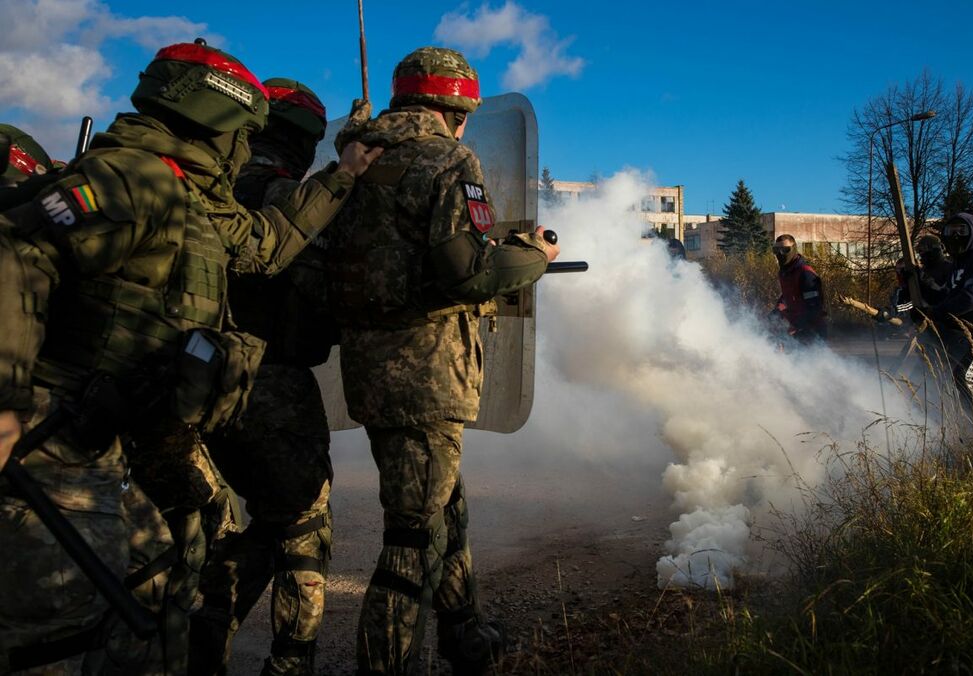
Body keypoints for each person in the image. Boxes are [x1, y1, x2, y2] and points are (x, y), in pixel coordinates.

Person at [0, 40, 380, 674]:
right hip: (61, 447)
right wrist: (6, 405)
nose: (245, 147)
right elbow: (14, 252)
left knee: (165, 576)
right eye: (242, 132)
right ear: (216, 120)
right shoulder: (135, 176)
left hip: (124, 438)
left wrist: (343, 175)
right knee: (58, 634)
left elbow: (265, 244)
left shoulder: (193, 194)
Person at [328, 47, 560, 675]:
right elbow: (466, 272)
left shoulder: (355, 158)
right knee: (410, 537)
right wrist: (533, 256)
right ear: (455, 108)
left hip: (371, 372)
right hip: (427, 374)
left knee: (442, 509)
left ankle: (465, 634)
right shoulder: (447, 159)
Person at [190, 78, 339, 676]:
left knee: (233, 528)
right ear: (304, 140)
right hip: (269, 383)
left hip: (192, 379)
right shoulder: (293, 199)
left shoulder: (206, 189)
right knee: (302, 527)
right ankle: (289, 662)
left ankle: (203, 635)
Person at [921, 213, 973, 404]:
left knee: (967, 377)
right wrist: (917, 280)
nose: (956, 236)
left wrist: (937, 312)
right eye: (951, 231)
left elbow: (971, 298)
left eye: (961, 231)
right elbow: (947, 297)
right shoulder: (957, 265)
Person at [771, 233, 827, 343]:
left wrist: (797, 327)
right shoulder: (785, 273)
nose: (780, 254)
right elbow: (788, 296)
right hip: (797, 329)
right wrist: (775, 313)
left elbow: (814, 307)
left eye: (785, 250)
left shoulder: (805, 273)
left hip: (812, 331)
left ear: (794, 249)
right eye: (776, 250)